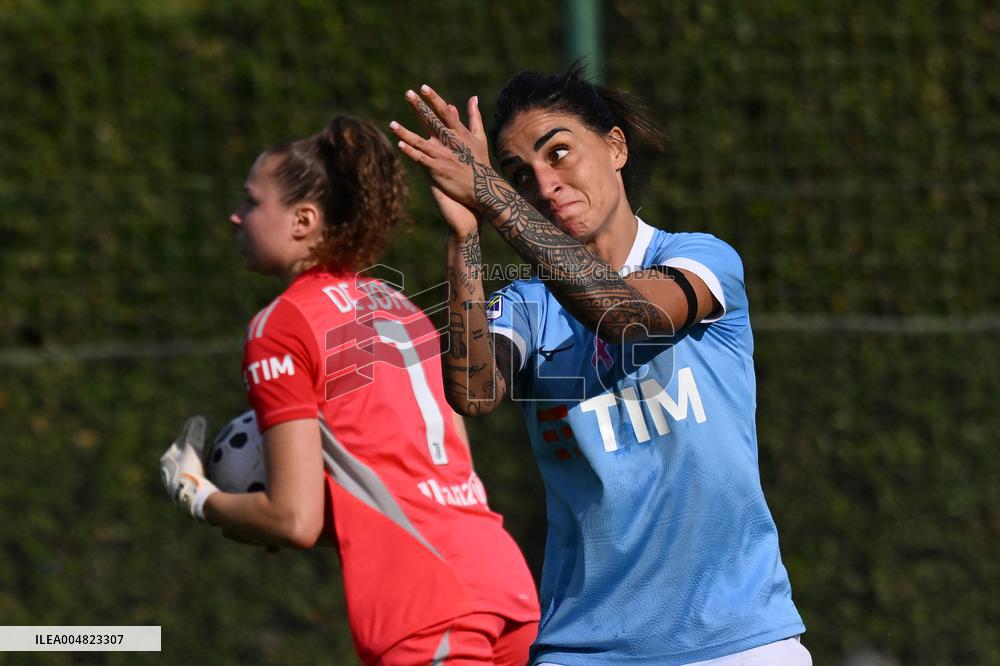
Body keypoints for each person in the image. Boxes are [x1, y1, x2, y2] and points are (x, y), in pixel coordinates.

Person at [389, 67, 810, 665]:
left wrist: (495, 195)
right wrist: (465, 237)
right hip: (583, 647)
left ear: (615, 147)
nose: (544, 182)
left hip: (736, 642)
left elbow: (627, 318)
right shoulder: (526, 305)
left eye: (559, 152)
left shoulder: (698, 258)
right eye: (519, 175)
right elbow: (473, 393)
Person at [159, 115, 540, 665]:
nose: (237, 215)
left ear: (303, 220)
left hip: (424, 605)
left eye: (253, 201)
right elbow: (424, 479)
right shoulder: (399, 306)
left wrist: (201, 497)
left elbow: (294, 520)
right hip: (504, 584)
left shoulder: (282, 325)